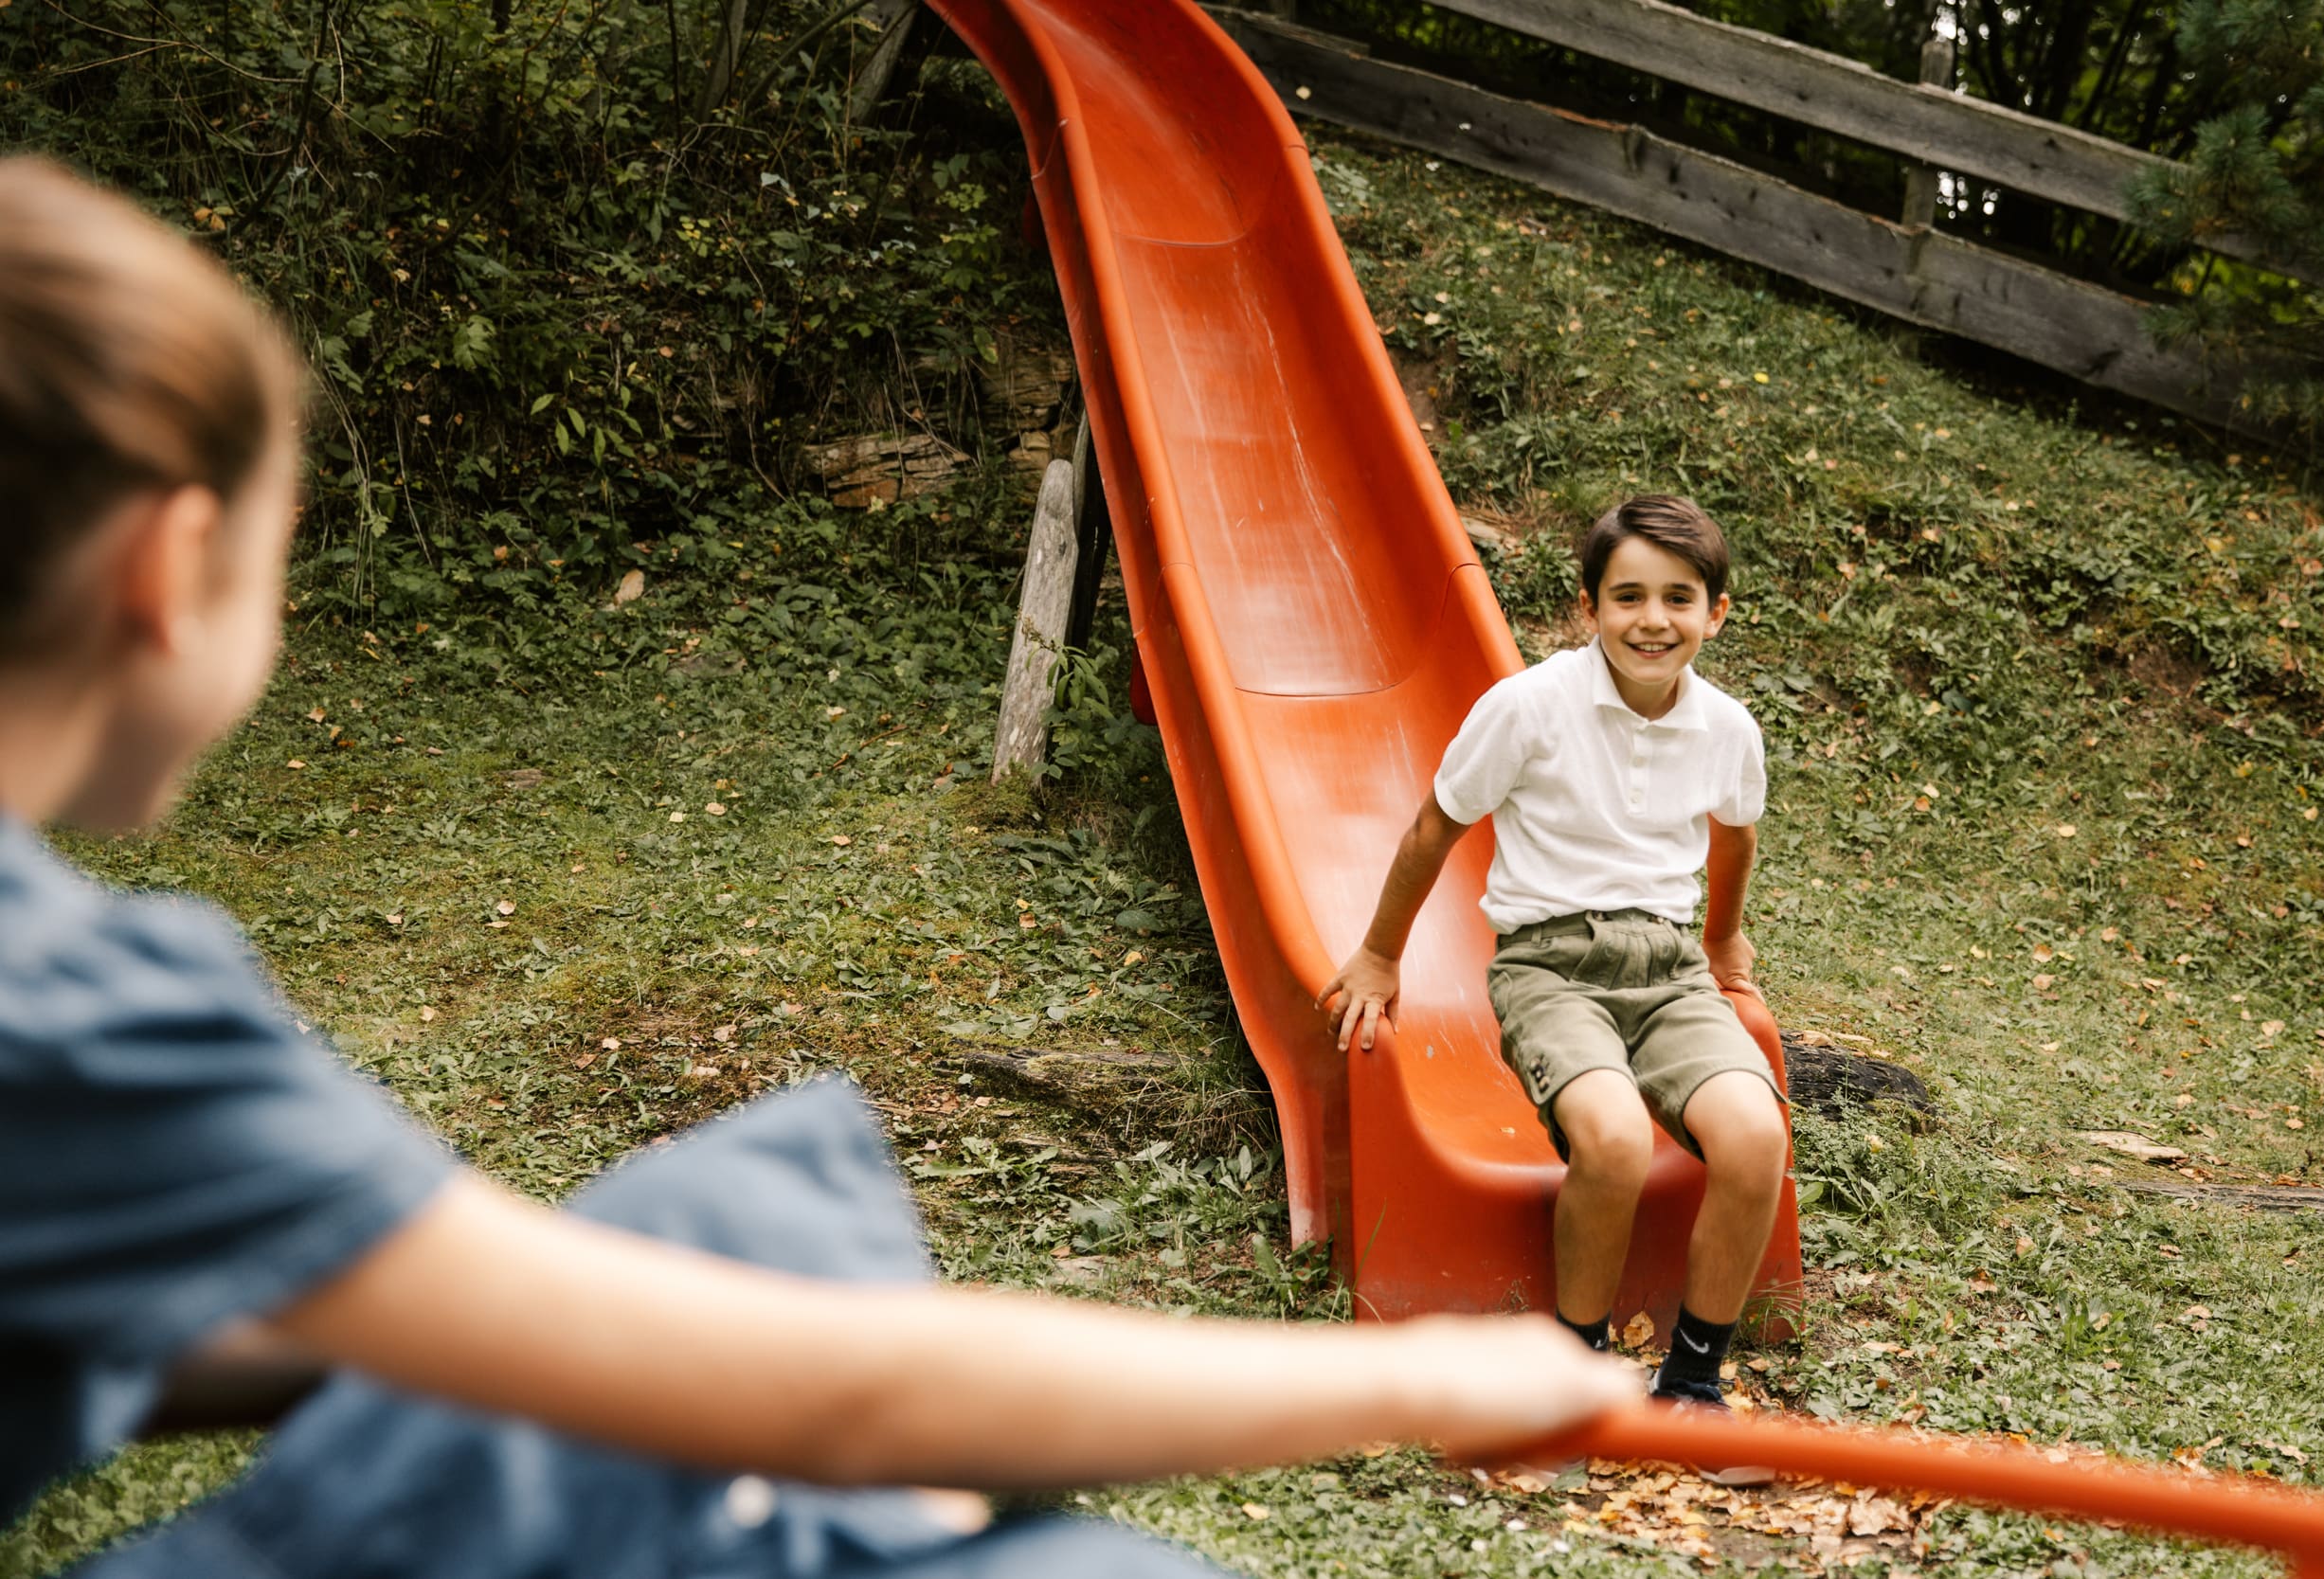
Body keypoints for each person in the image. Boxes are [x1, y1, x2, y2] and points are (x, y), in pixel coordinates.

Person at [0, 156, 1637, 1577]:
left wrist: (504, 1335)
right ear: (173, 565)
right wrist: (1434, 1385)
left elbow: (111, 1310)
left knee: (727, 1222)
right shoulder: (80, 1005)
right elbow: (845, 1393)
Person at [1320, 494, 1791, 1422]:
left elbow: (1733, 837)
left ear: (1715, 611)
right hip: (1551, 964)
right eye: (1627, 596)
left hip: (1668, 972)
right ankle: (1567, 1377)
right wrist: (1379, 952)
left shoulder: (1727, 727)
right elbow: (1432, 827)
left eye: (1678, 597)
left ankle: (1691, 1380)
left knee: (1755, 1135)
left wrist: (1723, 936)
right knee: (1611, 1138)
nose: (1652, 619)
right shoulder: (1529, 707)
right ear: (1588, 607)